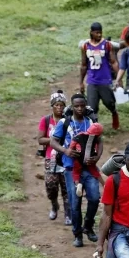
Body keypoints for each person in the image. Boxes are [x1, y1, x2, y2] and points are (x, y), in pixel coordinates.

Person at [50, 93, 100, 247]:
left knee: (94, 198)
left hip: (89, 167)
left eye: (82, 105)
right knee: (75, 202)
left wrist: (97, 157)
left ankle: (89, 226)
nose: (79, 108)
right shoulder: (65, 123)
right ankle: (77, 234)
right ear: (71, 107)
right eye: (76, 106)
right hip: (71, 169)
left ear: (86, 106)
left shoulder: (90, 122)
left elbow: (99, 141)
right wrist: (65, 151)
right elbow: (53, 141)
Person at [37, 90, 71, 225]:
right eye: (56, 105)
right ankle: (54, 204)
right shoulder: (46, 120)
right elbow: (40, 139)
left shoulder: (68, 120)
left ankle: (68, 213)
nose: (59, 108)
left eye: (61, 105)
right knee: (51, 184)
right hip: (50, 157)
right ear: (52, 106)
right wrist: (53, 140)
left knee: (66, 186)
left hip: (65, 157)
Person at [80, 22, 120, 130]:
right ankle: (95, 128)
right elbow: (84, 65)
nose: (99, 35)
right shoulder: (85, 46)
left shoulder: (107, 45)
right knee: (92, 107)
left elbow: (113, 62)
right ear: (91, 32)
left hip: (105, 80)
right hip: (92, 80)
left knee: (109, 102)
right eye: (97, 33)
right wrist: (81, 82)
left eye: (100, 33)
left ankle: (114, 113)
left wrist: (119, 78)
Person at [68, 123, 104, 198]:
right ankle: (104, 185)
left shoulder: (80, 135)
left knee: (76, 172)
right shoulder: (95, 138)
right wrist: (96, 156)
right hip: (89, 160)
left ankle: (78, 184)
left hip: (79, 158)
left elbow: (72, 144)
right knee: (95, 172)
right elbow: (97, 147)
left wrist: (70, 149)